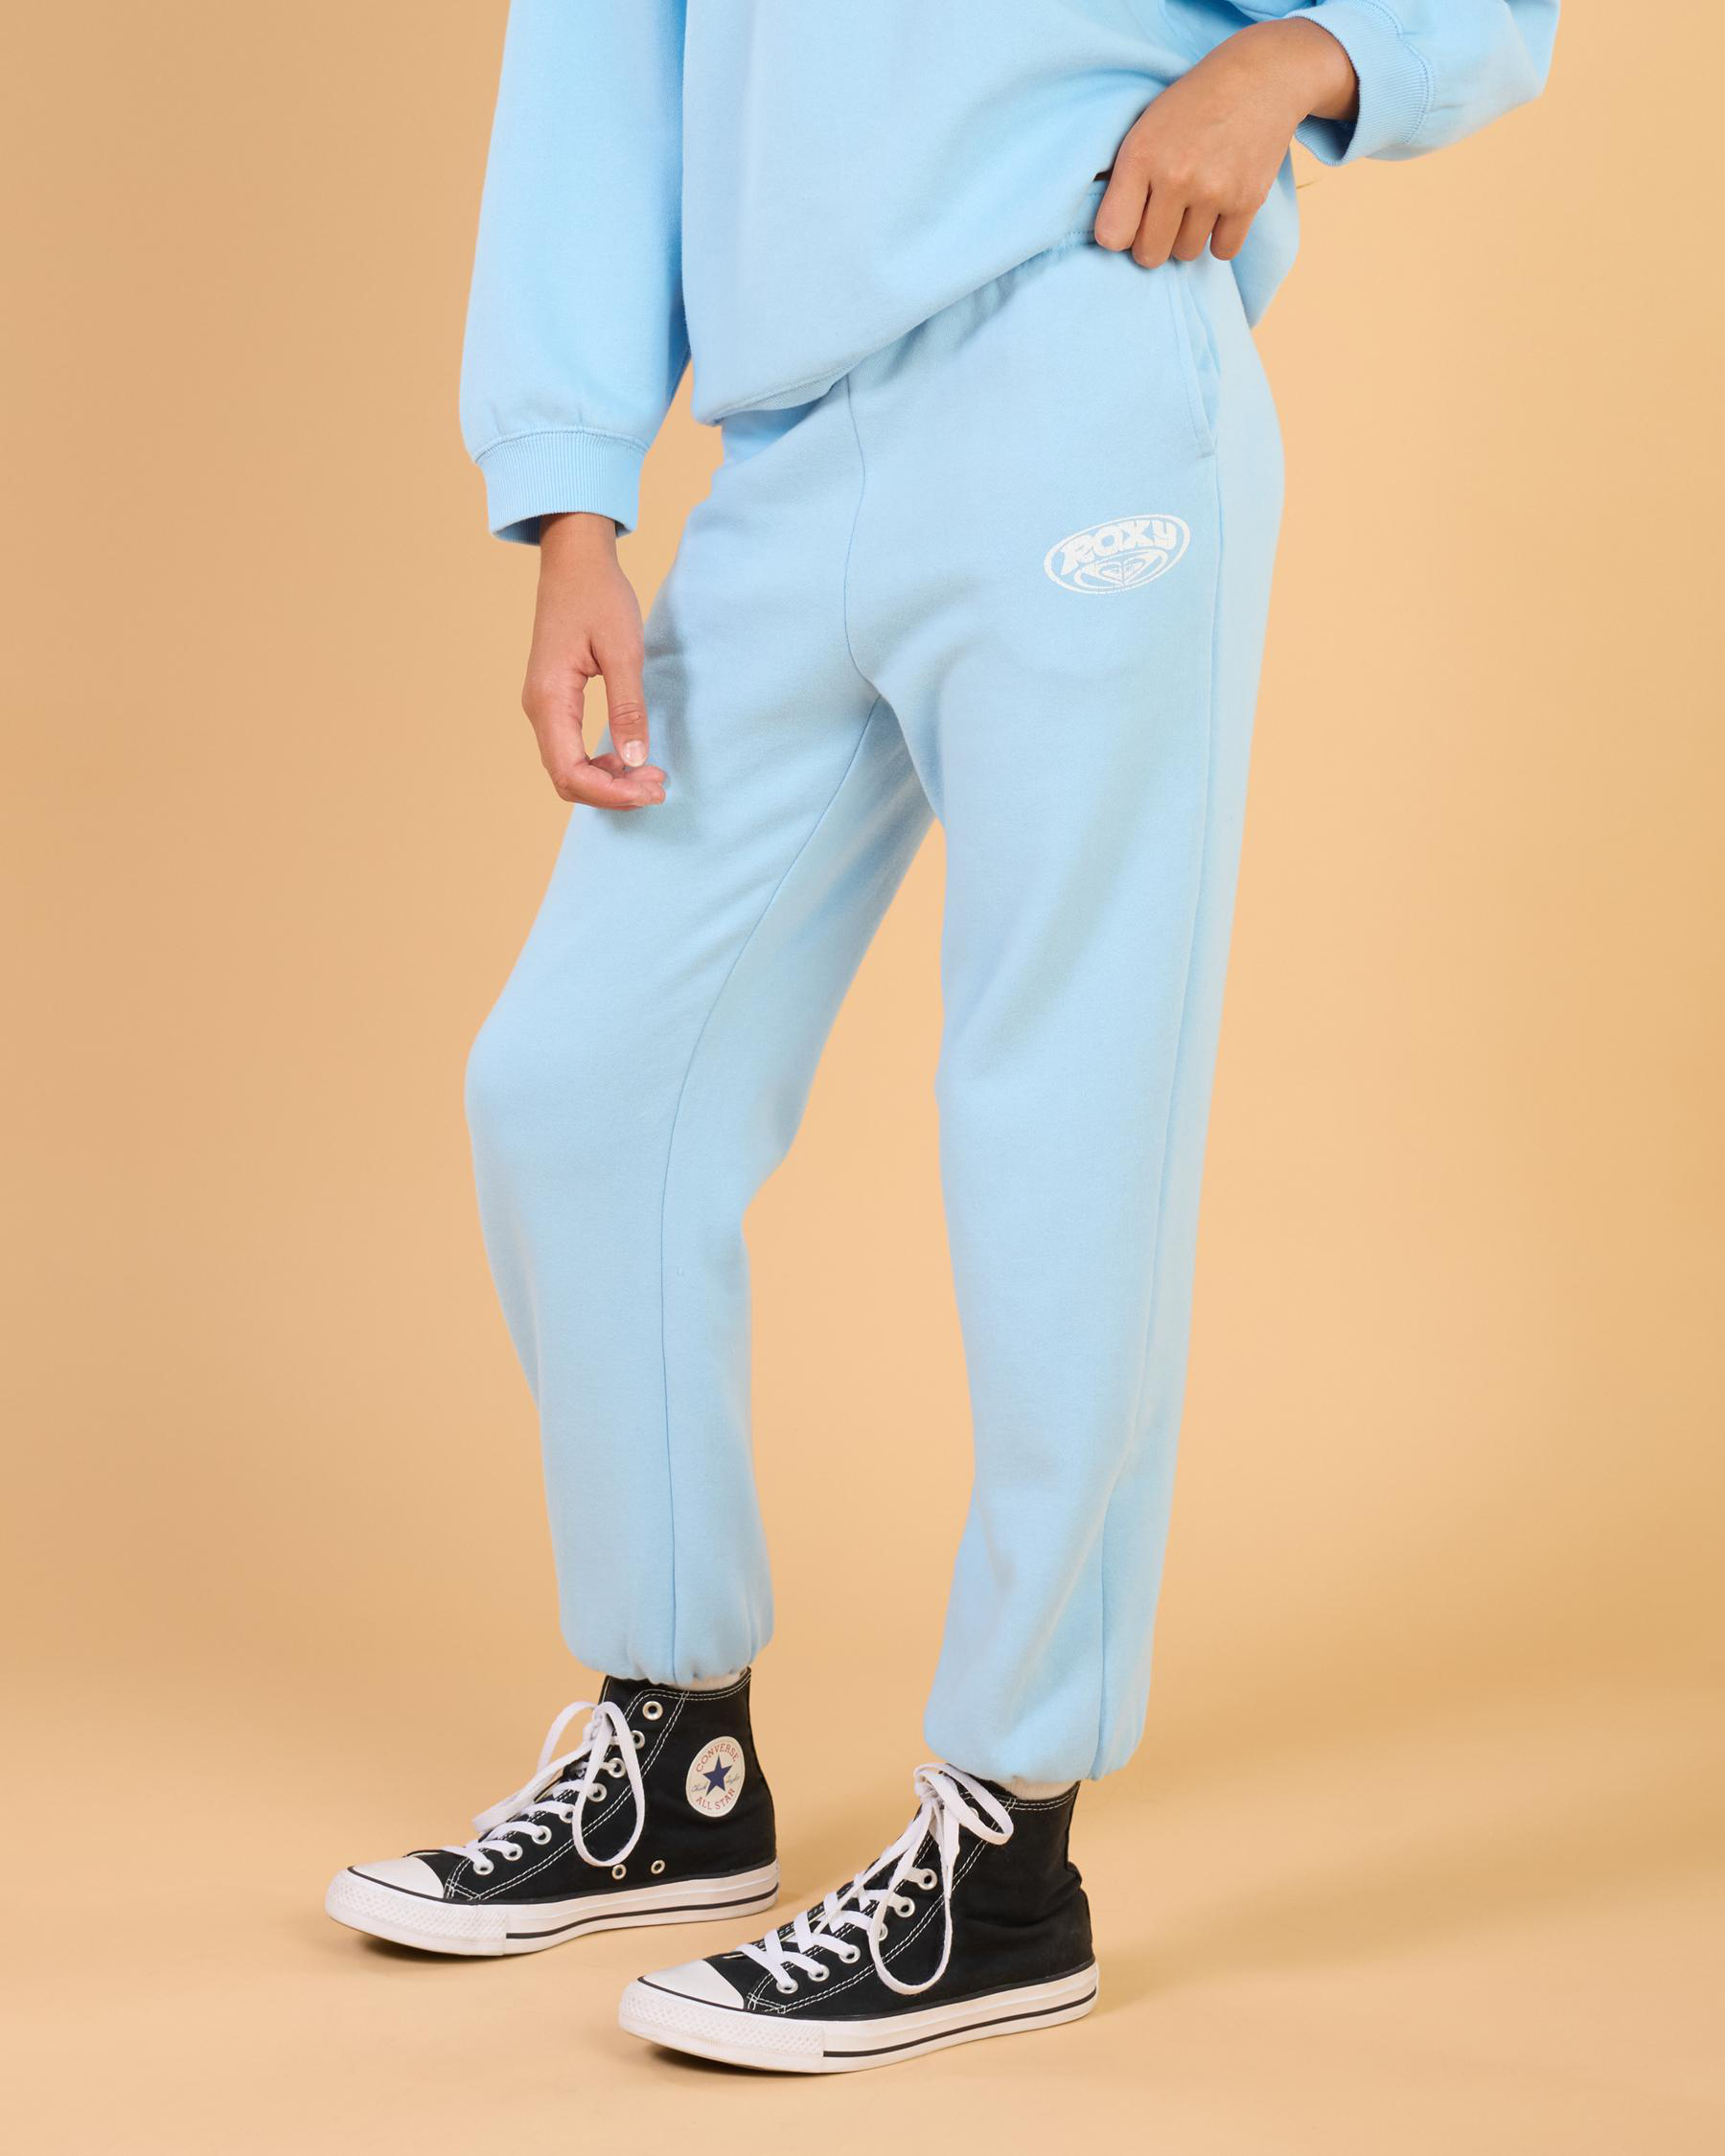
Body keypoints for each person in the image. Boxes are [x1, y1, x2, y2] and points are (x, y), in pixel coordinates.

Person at [327, 1, 1558, 2074]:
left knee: (1063, 1112)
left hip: (1079, 351)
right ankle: (674, 1756)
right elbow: (599, 62)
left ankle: (1008, 1857)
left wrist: (1301, 59)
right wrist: (571, 502)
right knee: (579, 1084)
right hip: (790, 451)